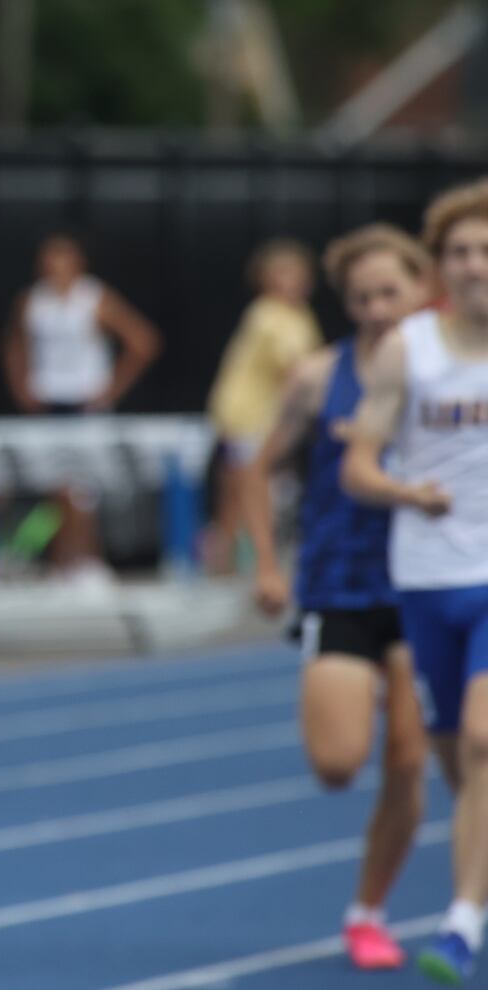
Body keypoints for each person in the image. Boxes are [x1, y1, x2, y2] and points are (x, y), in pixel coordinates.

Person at [240, 223, 433, 969]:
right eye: (363, 297)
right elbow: (257, 469)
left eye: (392, 292)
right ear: (345, 303)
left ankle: (369, 910)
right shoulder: (319, 377)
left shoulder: (452, 375)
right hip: (339, 585)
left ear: (421, 291)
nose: (379, 308)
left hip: (426, 586)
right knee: (339, 762)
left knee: (412, 760)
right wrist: (265, 564)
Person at [342, 178, 488, 985]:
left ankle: (462, 925)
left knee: (482, 739)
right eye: (461, 252)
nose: (475, 265)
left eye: (487, 251)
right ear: (440, 266)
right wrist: (406, 491)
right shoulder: (412, 349)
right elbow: (359, 464)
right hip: (426, 581)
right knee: (460, 768)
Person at [0, 233, 162, 578]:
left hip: (85, 404)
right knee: (56, 486)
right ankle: (65, 562)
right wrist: (22, 386)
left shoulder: (94, 298)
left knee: (83, 489)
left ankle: (85, 560)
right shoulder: (32, 301)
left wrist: (110, 389)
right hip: (49, 403)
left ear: (78, 263)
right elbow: (14, 346)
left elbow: (143, 341)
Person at [207, 238, 323, 572]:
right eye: (281, 273)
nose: (290, 281)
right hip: (251, 419)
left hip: (257, 419)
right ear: (263, 278)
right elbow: (297, 371)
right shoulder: (273, 315)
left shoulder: (292, 315)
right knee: (244, 491)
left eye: (296, 273)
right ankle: (242, 566)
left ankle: (230, 565)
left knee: (238, 490)